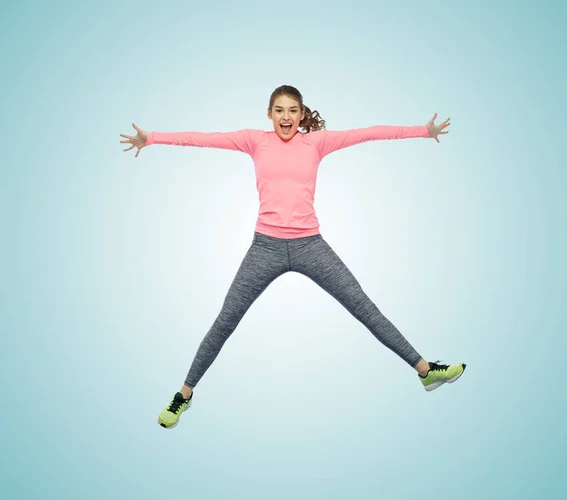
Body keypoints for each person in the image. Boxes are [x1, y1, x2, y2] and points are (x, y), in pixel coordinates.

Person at [120, 85, 466, 430]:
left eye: (292, 110)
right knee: (225, 321)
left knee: (364, 308)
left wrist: (423, 131)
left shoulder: (316, 142)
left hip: (310, 246)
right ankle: (184, 394)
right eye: (279, 110)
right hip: (265, 248)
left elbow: (368, 133)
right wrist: (151, 138)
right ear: (269, 114)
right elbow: (203, 139)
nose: (286, 117)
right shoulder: (254, 140)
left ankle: (425, 371)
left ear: (301, 115)